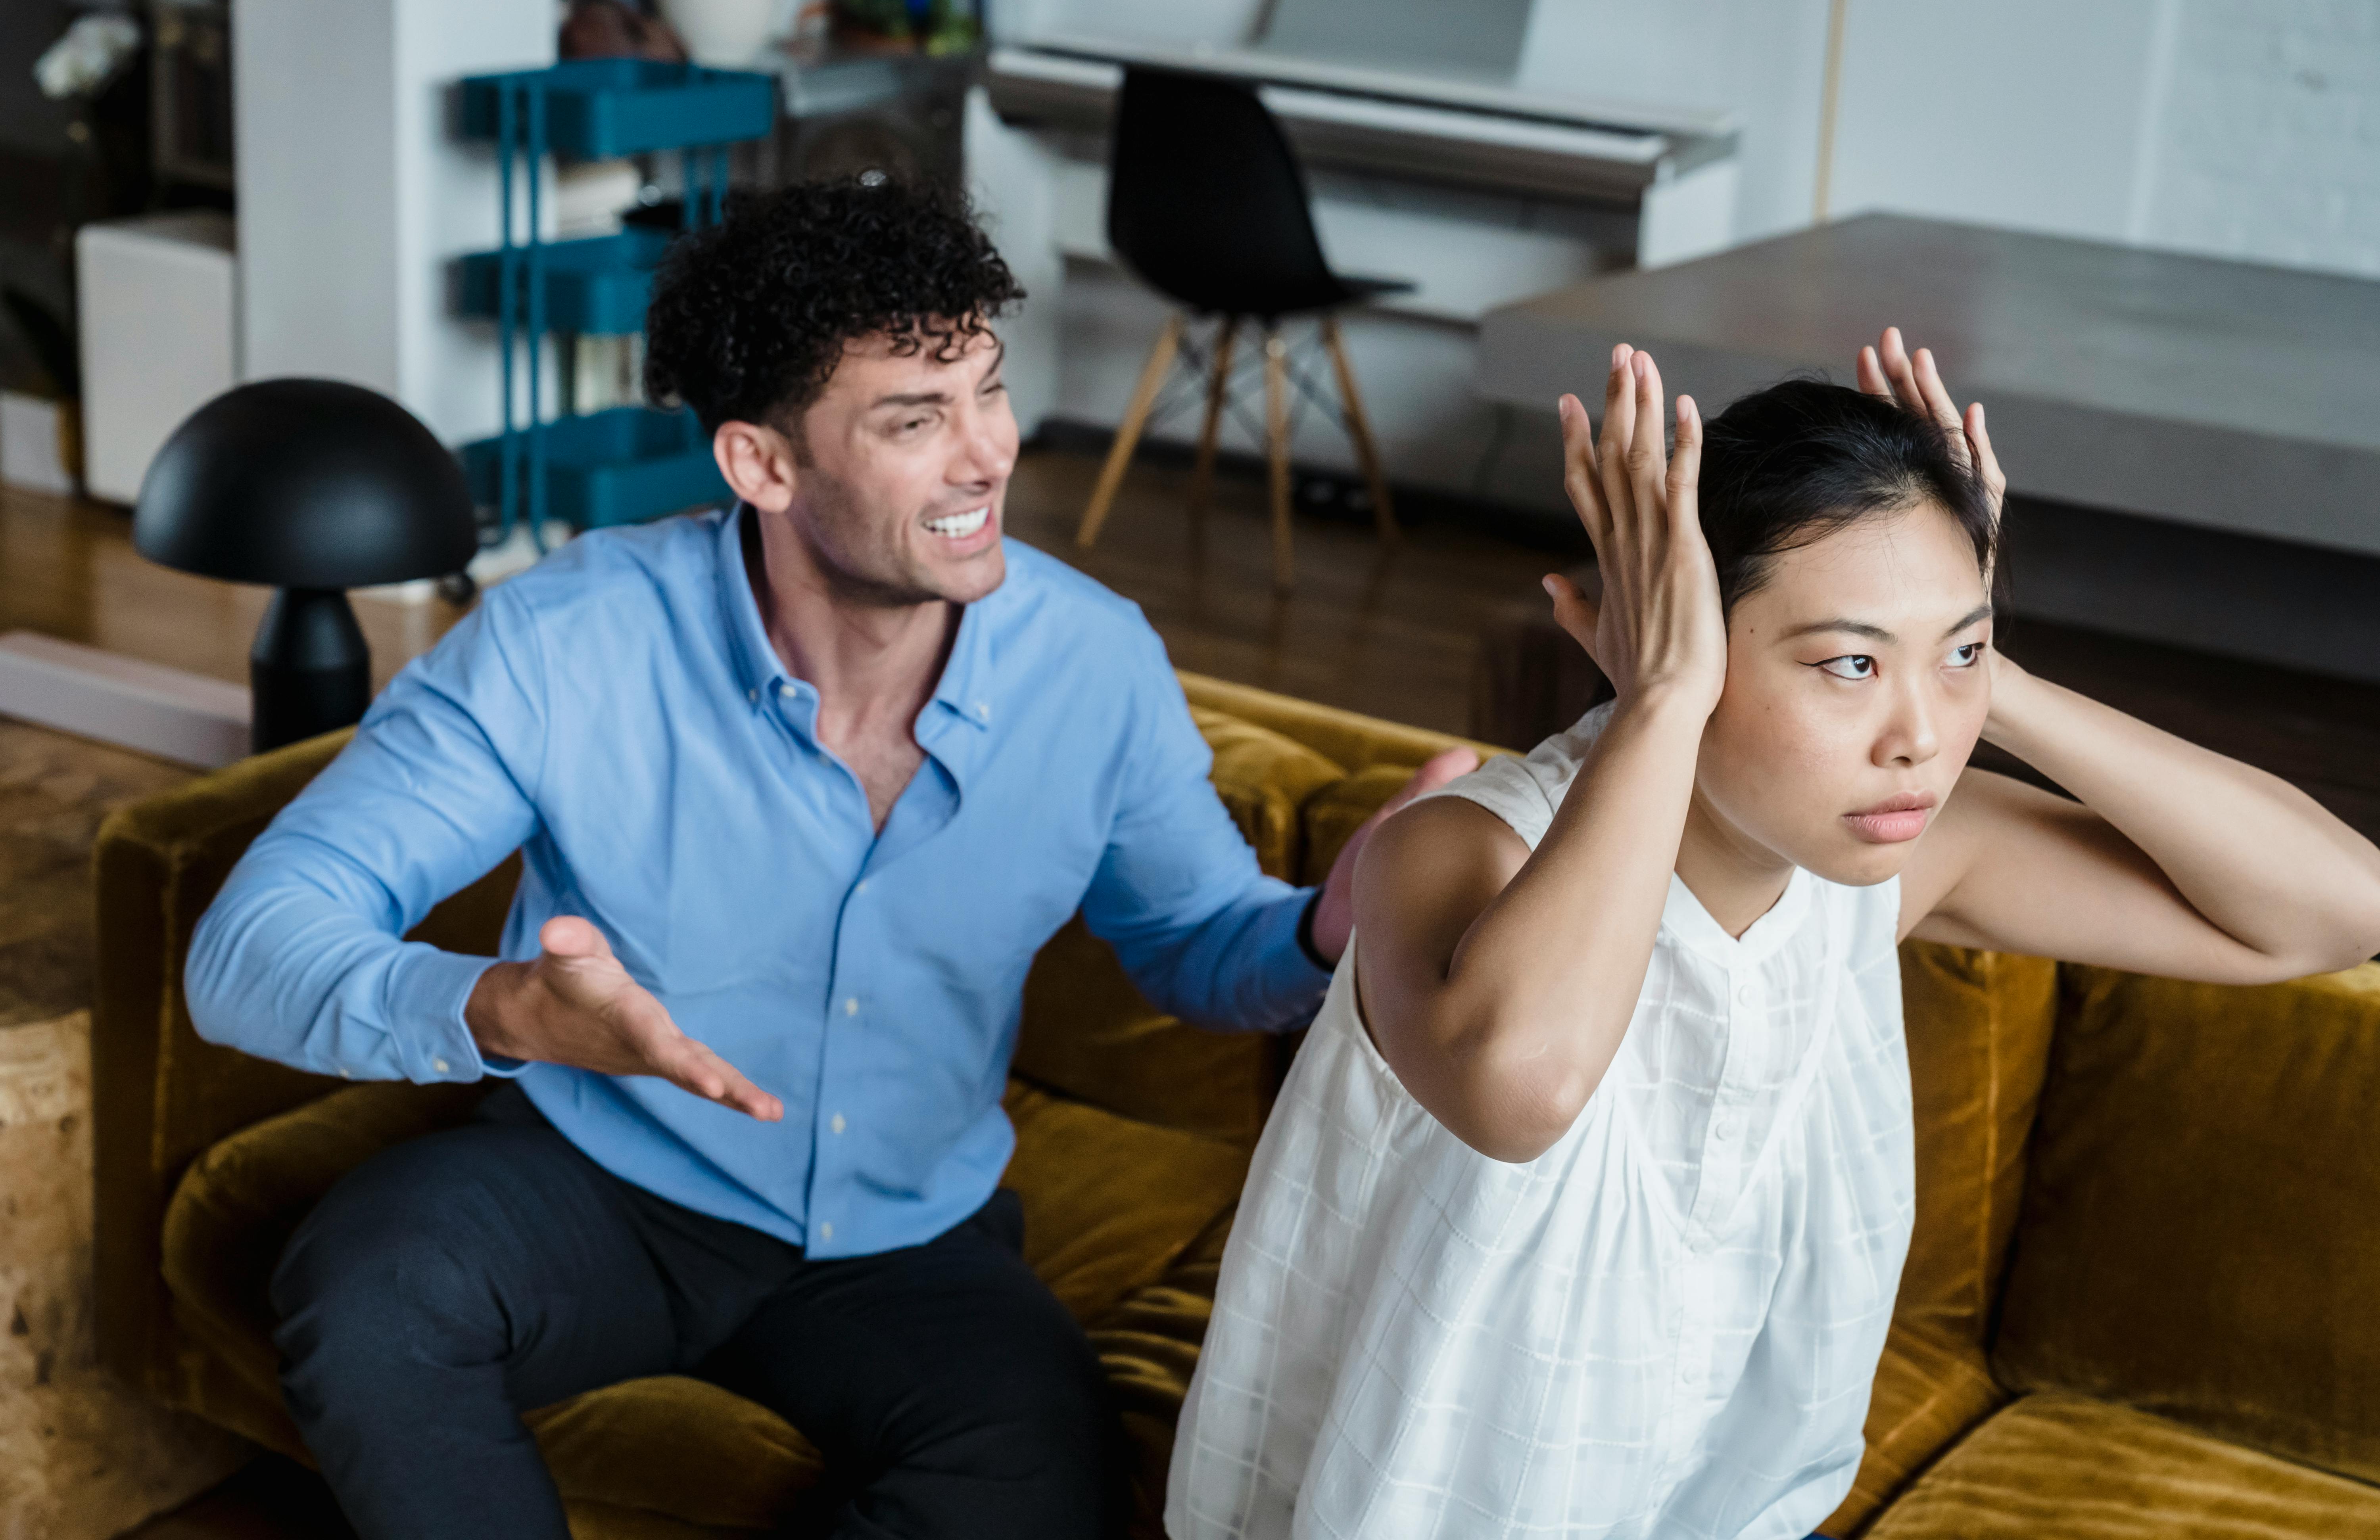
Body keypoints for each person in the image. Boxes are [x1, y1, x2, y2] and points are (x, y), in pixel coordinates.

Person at [183, 176, 1471, 1540]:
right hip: (602, 1180)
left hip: (910, 1234)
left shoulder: (1096, 665)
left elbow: (1201, 948)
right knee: (366, 1289)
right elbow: (249, 947)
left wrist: (1330, 927)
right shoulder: (564, 644)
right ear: (763, 465)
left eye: (987, 390)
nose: (987, 456)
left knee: (1041, 1481)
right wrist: (506, 1010)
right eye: (917, 421)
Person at [1168, 333, 2380, 1539]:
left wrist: (1956, 653)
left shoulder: (1877, 862)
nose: (1920, 736)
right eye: (1847, 663)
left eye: (1963, 651)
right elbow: (1523, 1090)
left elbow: (2336, 912)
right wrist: (1663, 697)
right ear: (1665, 634)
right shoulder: (1459, 849)